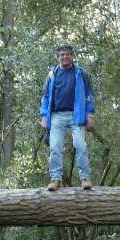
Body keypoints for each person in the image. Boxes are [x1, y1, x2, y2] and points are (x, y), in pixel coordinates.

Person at [40, 44, 95, 191]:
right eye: (62, 55)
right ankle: (55, 179)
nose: (65, 57)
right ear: (57, 57)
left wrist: (90, 115)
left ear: (72, 56)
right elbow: (45, 97)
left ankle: (85, 178)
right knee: (55, 147)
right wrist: (44, 116)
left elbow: (89, 95)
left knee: (81, 145)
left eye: (67, 54)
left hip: (76, 115)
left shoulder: (81, 74)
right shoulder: (52, 75)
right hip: (57, 115)